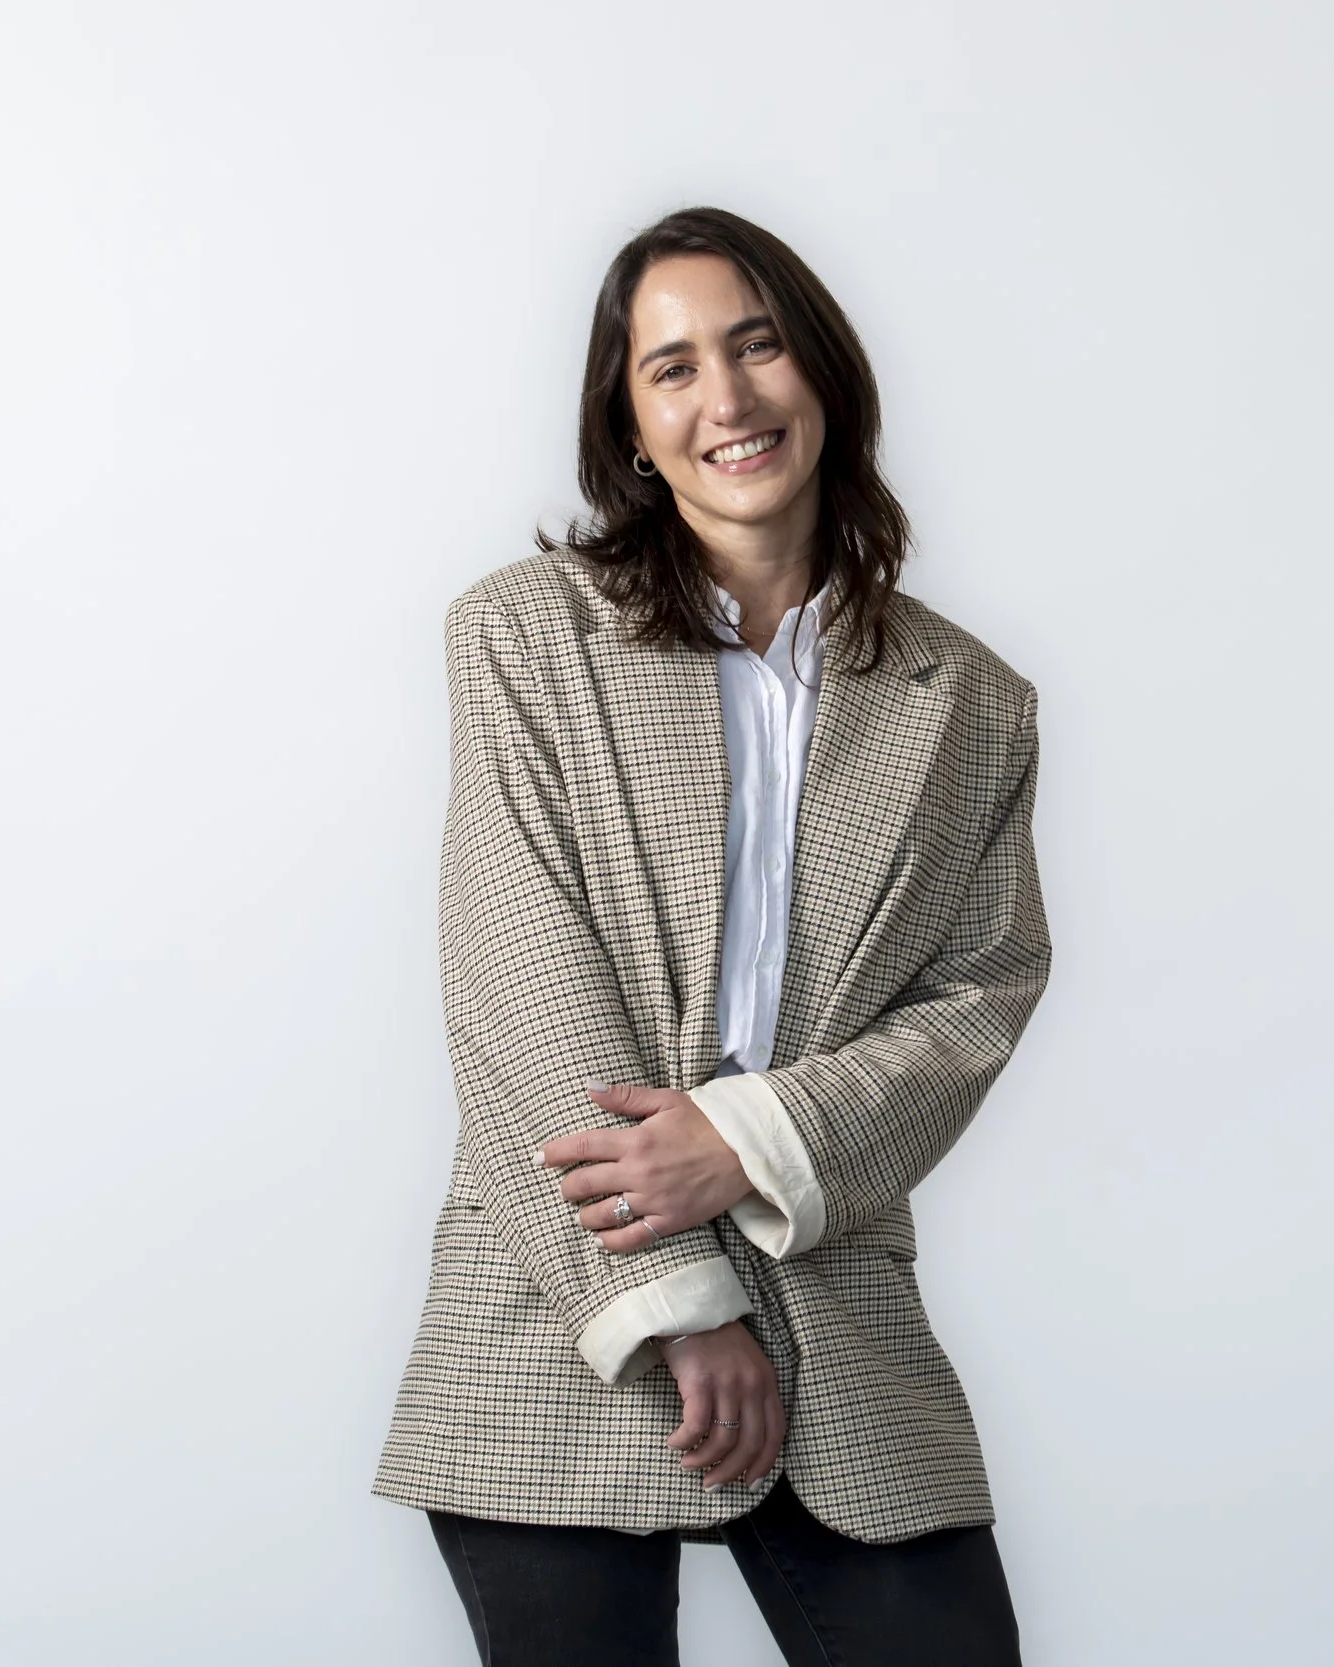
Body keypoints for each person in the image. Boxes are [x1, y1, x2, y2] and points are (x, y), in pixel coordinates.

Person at [372, 205, 1052, 1667]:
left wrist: (743, 1137)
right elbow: (520, 976)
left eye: (756, 345)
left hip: (838, 1306)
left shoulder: (974, 703)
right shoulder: (523, 633)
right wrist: (672, 1303)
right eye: (670, 367)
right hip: (562, 1303)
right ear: (628, 426)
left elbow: (978, 994)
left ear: (825, 372)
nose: (726, 399)